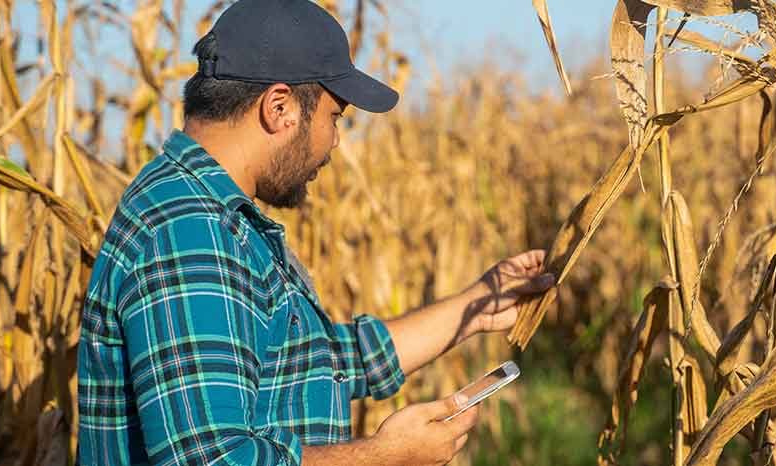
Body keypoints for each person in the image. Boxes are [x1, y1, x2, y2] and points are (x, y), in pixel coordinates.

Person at [76, 1, 555, 464]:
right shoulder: (191, 231)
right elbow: (213, 459)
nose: (334, 141)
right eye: (334, 117)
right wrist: (383, 457)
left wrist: (477, 306)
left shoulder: (206, 210)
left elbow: (314, 363)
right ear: (279, 107)